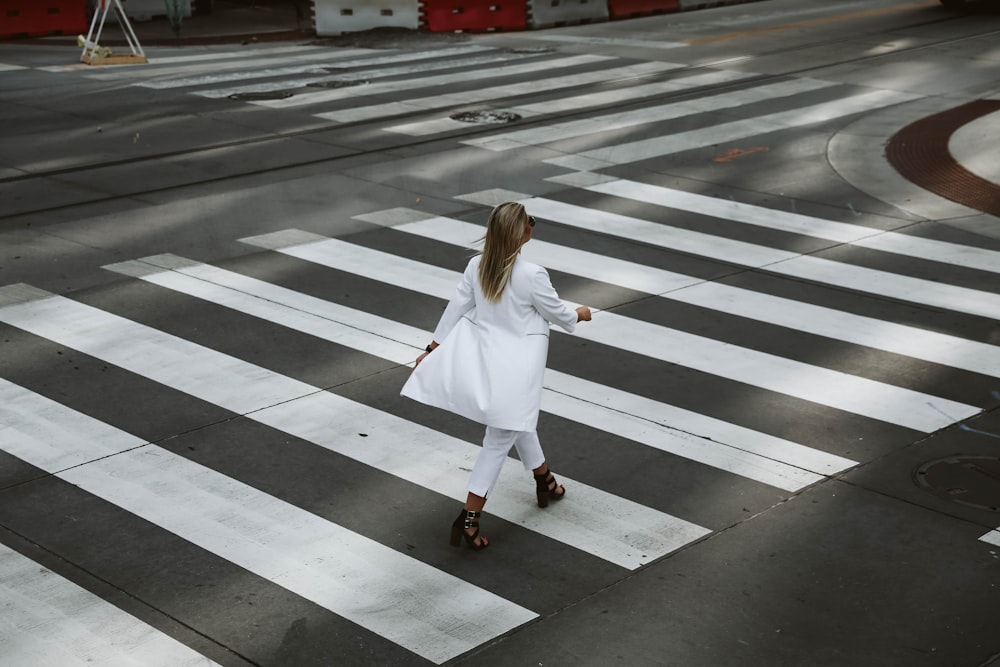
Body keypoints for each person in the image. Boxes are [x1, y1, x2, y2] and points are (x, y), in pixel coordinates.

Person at [400, 202, 592, 550]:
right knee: (498, 440)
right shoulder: (532, 274)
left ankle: (544, 480)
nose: (533, 225)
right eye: (530, 221)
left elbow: (454, 310)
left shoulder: (477, 266)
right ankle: (468, 518)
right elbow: (558, 313)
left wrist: (431, 349)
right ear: (520, 233)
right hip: (517, 372)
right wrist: (581, 313)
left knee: (518, 423)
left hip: (489, 365)